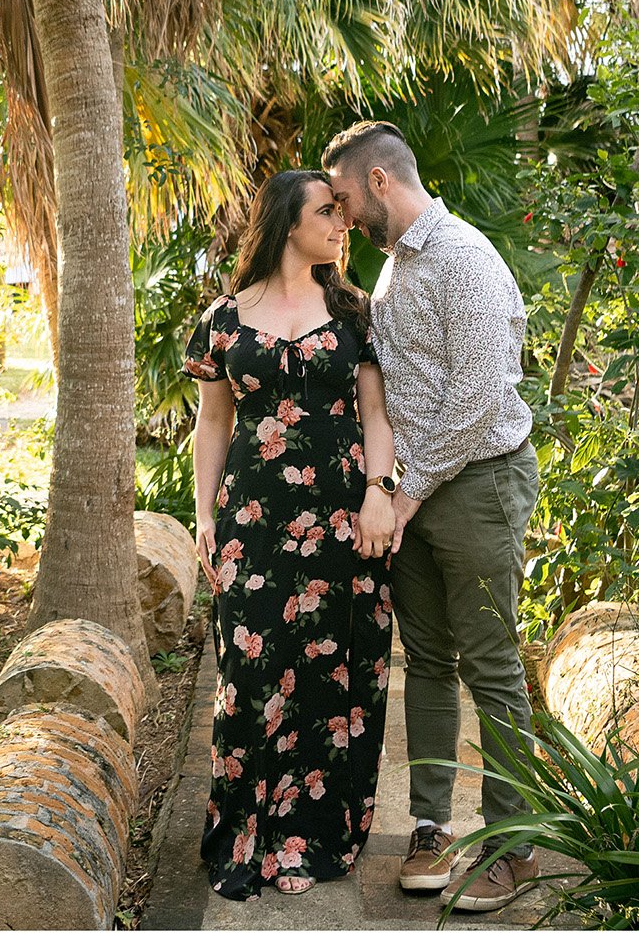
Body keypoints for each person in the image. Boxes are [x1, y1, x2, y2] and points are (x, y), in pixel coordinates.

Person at [321, 120, 542, 913]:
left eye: (344, 198)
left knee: (491, 666)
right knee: (429, 660)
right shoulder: (390, 272)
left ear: (379, 182)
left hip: (476, 485)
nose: (341, 215)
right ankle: (430, 824)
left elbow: (480, 397)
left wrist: (403, 492)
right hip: (414, 490)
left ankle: (516, 849)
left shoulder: (464, 259)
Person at [185, 170, 400, 899]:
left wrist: (380, 493)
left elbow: (377, 415)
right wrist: (206, 514)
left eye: (342, 214)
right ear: (285, 222)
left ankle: (313, 834)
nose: (342, 225)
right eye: (326, 213)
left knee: (333, 670)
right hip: (252, 516)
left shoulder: (356, 311)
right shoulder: (222, 317)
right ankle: (246, 833)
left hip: (343, 517)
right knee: (248, 673)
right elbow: (212, 422)